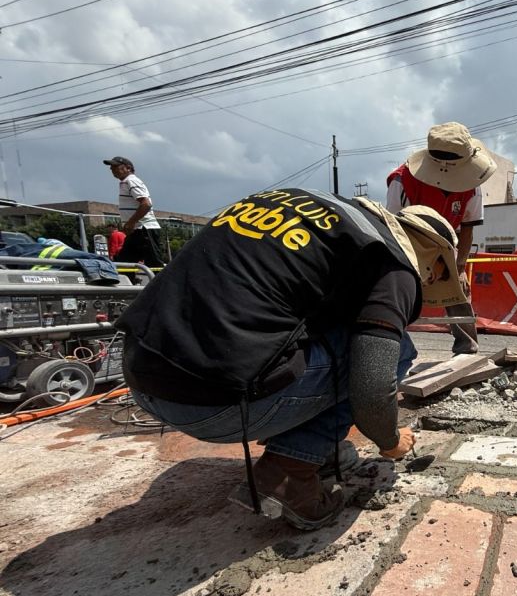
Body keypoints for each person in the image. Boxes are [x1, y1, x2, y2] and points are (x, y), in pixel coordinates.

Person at [116, 188, 467, 531]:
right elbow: (372, 388)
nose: (431, 280)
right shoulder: (394, 266)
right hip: (213, 404)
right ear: (431, 255)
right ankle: (289, 473)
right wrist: (390, 441)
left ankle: (314, 448)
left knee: (330, 335)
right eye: (437, 271)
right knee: (397, 348)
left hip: (142, 375)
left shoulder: (317, 212)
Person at [386, 122, 496, 355]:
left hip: (448, 242)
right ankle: (391, 347)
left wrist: (460, 267)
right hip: (408, 240)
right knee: (398, 291)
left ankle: (467, 349)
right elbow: (392, 227)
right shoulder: (402, 181)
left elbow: (467, 227)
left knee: (459, 291)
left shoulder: (472, 185)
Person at [103, 156, 165, 267]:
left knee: (154, 263)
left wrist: (131, 222)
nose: (112, 169)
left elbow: (146, 204)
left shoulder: (131, 181)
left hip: (144, 229)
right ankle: (128, 282)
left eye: (116, 166)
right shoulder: (125, 182)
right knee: (125, 261)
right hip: (137, 230)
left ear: (128, 168)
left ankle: (164, 284)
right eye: (111, 167)